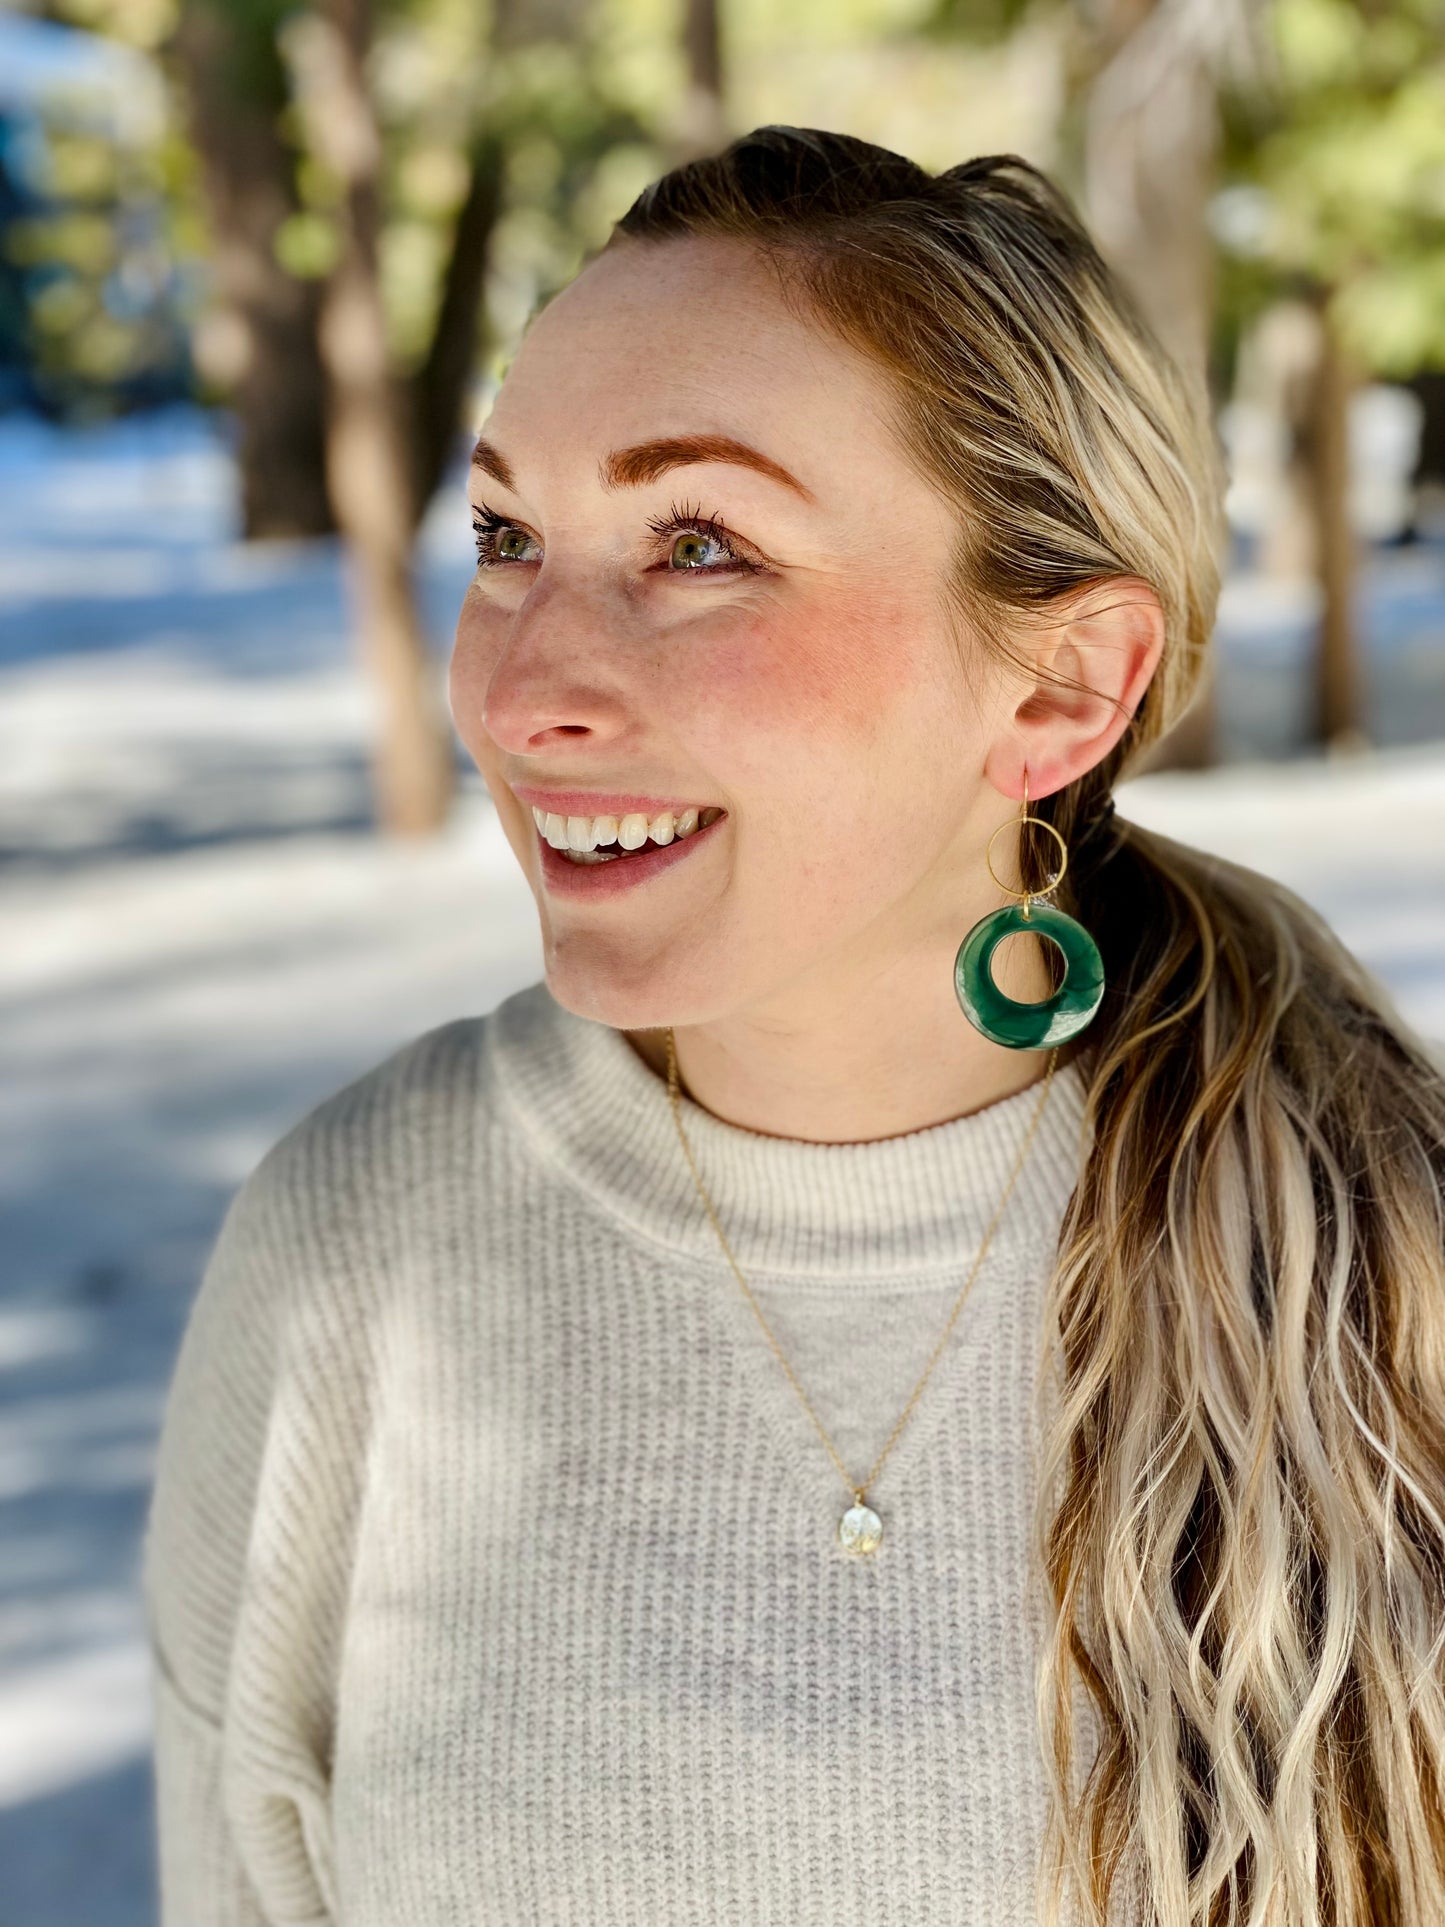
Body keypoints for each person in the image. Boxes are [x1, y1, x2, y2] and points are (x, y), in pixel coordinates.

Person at [144, 127, 1445, 1927]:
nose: (521, 688)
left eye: (698, 544)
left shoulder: (1390, 1265)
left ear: (1063, 688)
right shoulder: (363, 1238)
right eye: (508, 534)